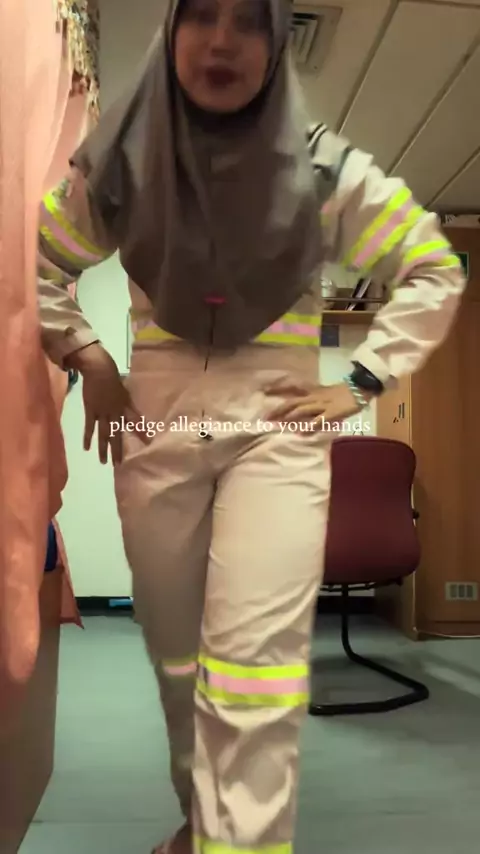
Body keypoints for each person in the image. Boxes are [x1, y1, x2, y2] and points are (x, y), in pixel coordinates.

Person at [37, 1, 466, 852]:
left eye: (250, 20)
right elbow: (38, 261)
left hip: (278, 428)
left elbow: (433, 266)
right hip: (160, 426)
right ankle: (206, 827)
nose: (224, 40)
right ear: (172, 31)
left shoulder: (322, 167)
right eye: (203, 14)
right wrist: (88, 355)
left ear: (276, 46)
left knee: (254, 673)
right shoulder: (122, 164)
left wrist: (361, 380)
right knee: (180, 667)